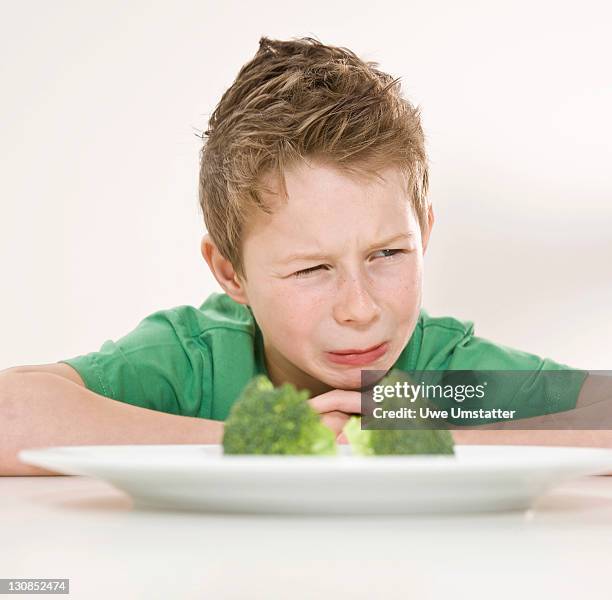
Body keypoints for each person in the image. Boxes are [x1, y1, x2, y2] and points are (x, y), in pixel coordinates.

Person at [1, 36, 609, 476]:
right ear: (229, 271)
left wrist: (410, 435)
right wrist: (269, 443)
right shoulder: (196, 362)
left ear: (423, 232)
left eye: (387, 253)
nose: (359, 308)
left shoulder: (442, 373)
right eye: (313, 269)